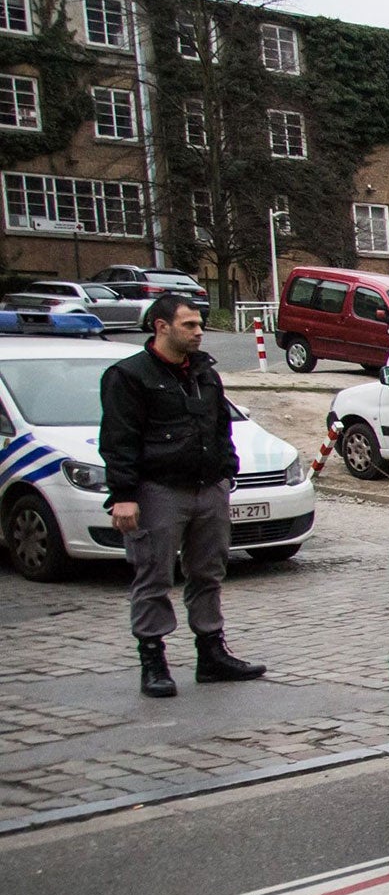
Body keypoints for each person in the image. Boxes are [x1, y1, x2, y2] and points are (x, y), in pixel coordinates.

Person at [99, 293, 266, 699]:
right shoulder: (130, 376)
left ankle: (211, 652)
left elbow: (220, 426)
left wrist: (227, 472)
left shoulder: (204, 372)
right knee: (153, 575)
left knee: (209, 572)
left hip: (208, 488)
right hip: (159, 491)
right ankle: (153, 658)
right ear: (161, 327)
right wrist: (124, 495)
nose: (199, 332)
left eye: (199, 324)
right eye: (189, 325)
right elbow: (119, 439)